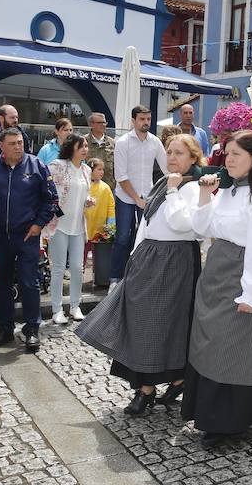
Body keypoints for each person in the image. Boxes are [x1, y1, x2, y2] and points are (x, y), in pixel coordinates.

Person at [78, 134, 205, 415]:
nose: (172, 158)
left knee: (165, 323)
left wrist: (173, 191)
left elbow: (185, 224)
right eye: (169, 152)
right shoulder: (165, 181)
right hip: (149, 257)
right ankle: (169, 380)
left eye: (179, 153)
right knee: (142, 320)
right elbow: (148, 222)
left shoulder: (193, 188)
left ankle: (150, 388)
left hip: (175, 261)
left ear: (193, 158)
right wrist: (135, 257)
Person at [182, 130, 252, 447]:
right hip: (218, 277)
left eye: (236, 154)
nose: (228, 160)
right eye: (226, 153)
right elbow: (202, 228)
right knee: (212, 345)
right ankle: (215, 413)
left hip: (245, 279)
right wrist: (205, 196)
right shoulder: (228, 193)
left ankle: (229, 422)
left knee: (234, 349)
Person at [0, 128, 57, 353]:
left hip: (26, 235)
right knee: (2, 283)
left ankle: (32, 329)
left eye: (20, 142)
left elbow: (51, 198)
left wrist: (38, 224)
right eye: (12, 143)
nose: (17, 147)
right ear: (1, 146)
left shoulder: (37, 166)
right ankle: (5, 328)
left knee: (29, 282)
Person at [111, 105, 166, 286]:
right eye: (142, 119)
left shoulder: (155, 142)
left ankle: (137, 277)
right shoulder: (122, 142)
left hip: (147, 196)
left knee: (144, 237)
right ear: (133, 121)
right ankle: (115, 279)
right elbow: (121, 177)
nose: (146, 123)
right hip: (126, 196)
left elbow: (166, 170)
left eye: (148, 119)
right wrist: (136, 199)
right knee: (123, 237)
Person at [44, 134, 92, 325]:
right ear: (72, 147)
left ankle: (75, 306)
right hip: (59, 225)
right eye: (82, 146)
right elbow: (47, 190)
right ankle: (57, 309)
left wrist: (88, 201)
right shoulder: (57, 165)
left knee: (77, 268)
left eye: (87, 146)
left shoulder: (87, 170)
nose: (85, 149)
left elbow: (84, 194)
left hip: (78, 226)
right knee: (57, 269)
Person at [83, 158, 115, 269]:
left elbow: (111, 206)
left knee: (99, 257)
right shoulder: (84, 185)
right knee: (82, 254)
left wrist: (111, 223)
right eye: (99, 169)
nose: (102, 172)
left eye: (103, 169)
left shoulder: (106, 188)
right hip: (84, 228)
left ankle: (98, 275)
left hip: (99, 229)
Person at [84, 112, 115, 191]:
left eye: (104, 122)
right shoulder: (84, 141)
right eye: (99, 123)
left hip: (108, 188)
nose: (103, 125)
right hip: (88, 187)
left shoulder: (112, 143)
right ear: (91, 124)